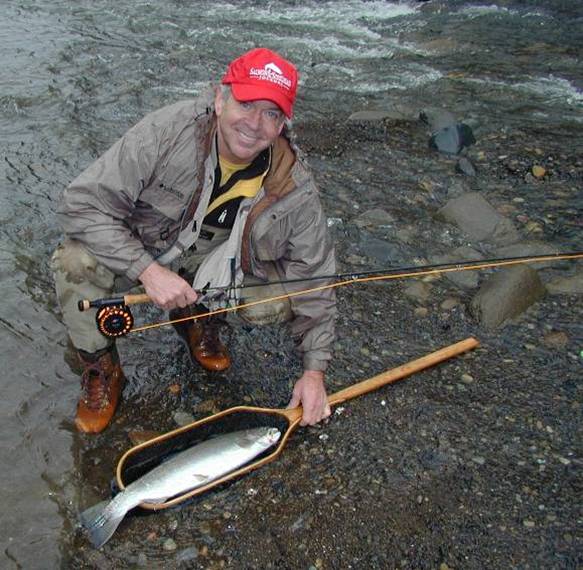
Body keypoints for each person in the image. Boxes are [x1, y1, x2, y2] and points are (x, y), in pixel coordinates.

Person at [52, 47, 337, 434]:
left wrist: (314, 372)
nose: (255, 124)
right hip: (145, 249)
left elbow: (315, 276)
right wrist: (148, 272)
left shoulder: (293, 183)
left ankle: (200, 316)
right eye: (247, 104)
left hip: (217, 266)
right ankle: (102, 368)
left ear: (283, 124)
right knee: (75, 261)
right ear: (220, 99)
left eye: (271, 113)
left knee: (282, 298)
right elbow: (80, 204)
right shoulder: (167, 132)